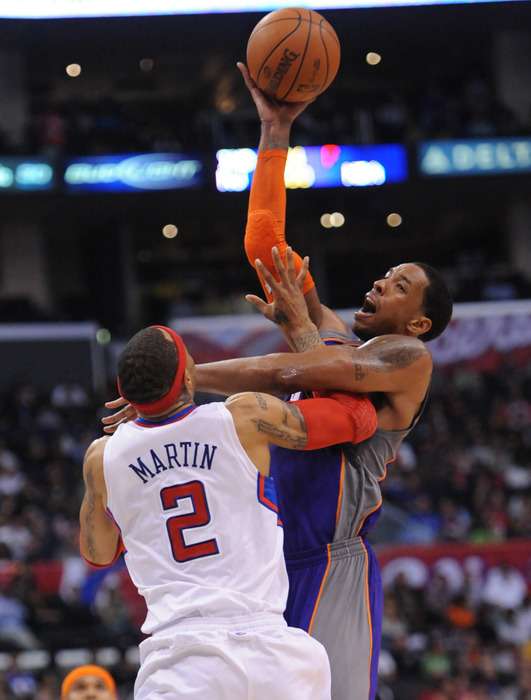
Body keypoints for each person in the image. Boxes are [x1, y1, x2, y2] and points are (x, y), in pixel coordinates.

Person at [102, 65, 453, 700]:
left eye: (400, 285)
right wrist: (275, 127)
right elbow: (266, 241)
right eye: (385, 273)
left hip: (329, 558)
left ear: (421, 320)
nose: (380, 283)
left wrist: (180, 384)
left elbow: (287, 371)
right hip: (261, 569)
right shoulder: (333, 335)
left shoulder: (406, 358)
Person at [84, 325, 377, 700]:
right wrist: (320, 346)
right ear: (189, 376)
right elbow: (358, 417)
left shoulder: (102, 457)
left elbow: (97, 553)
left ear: (125, 394)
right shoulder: (244, 416)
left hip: (181, 661)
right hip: (274, 654)